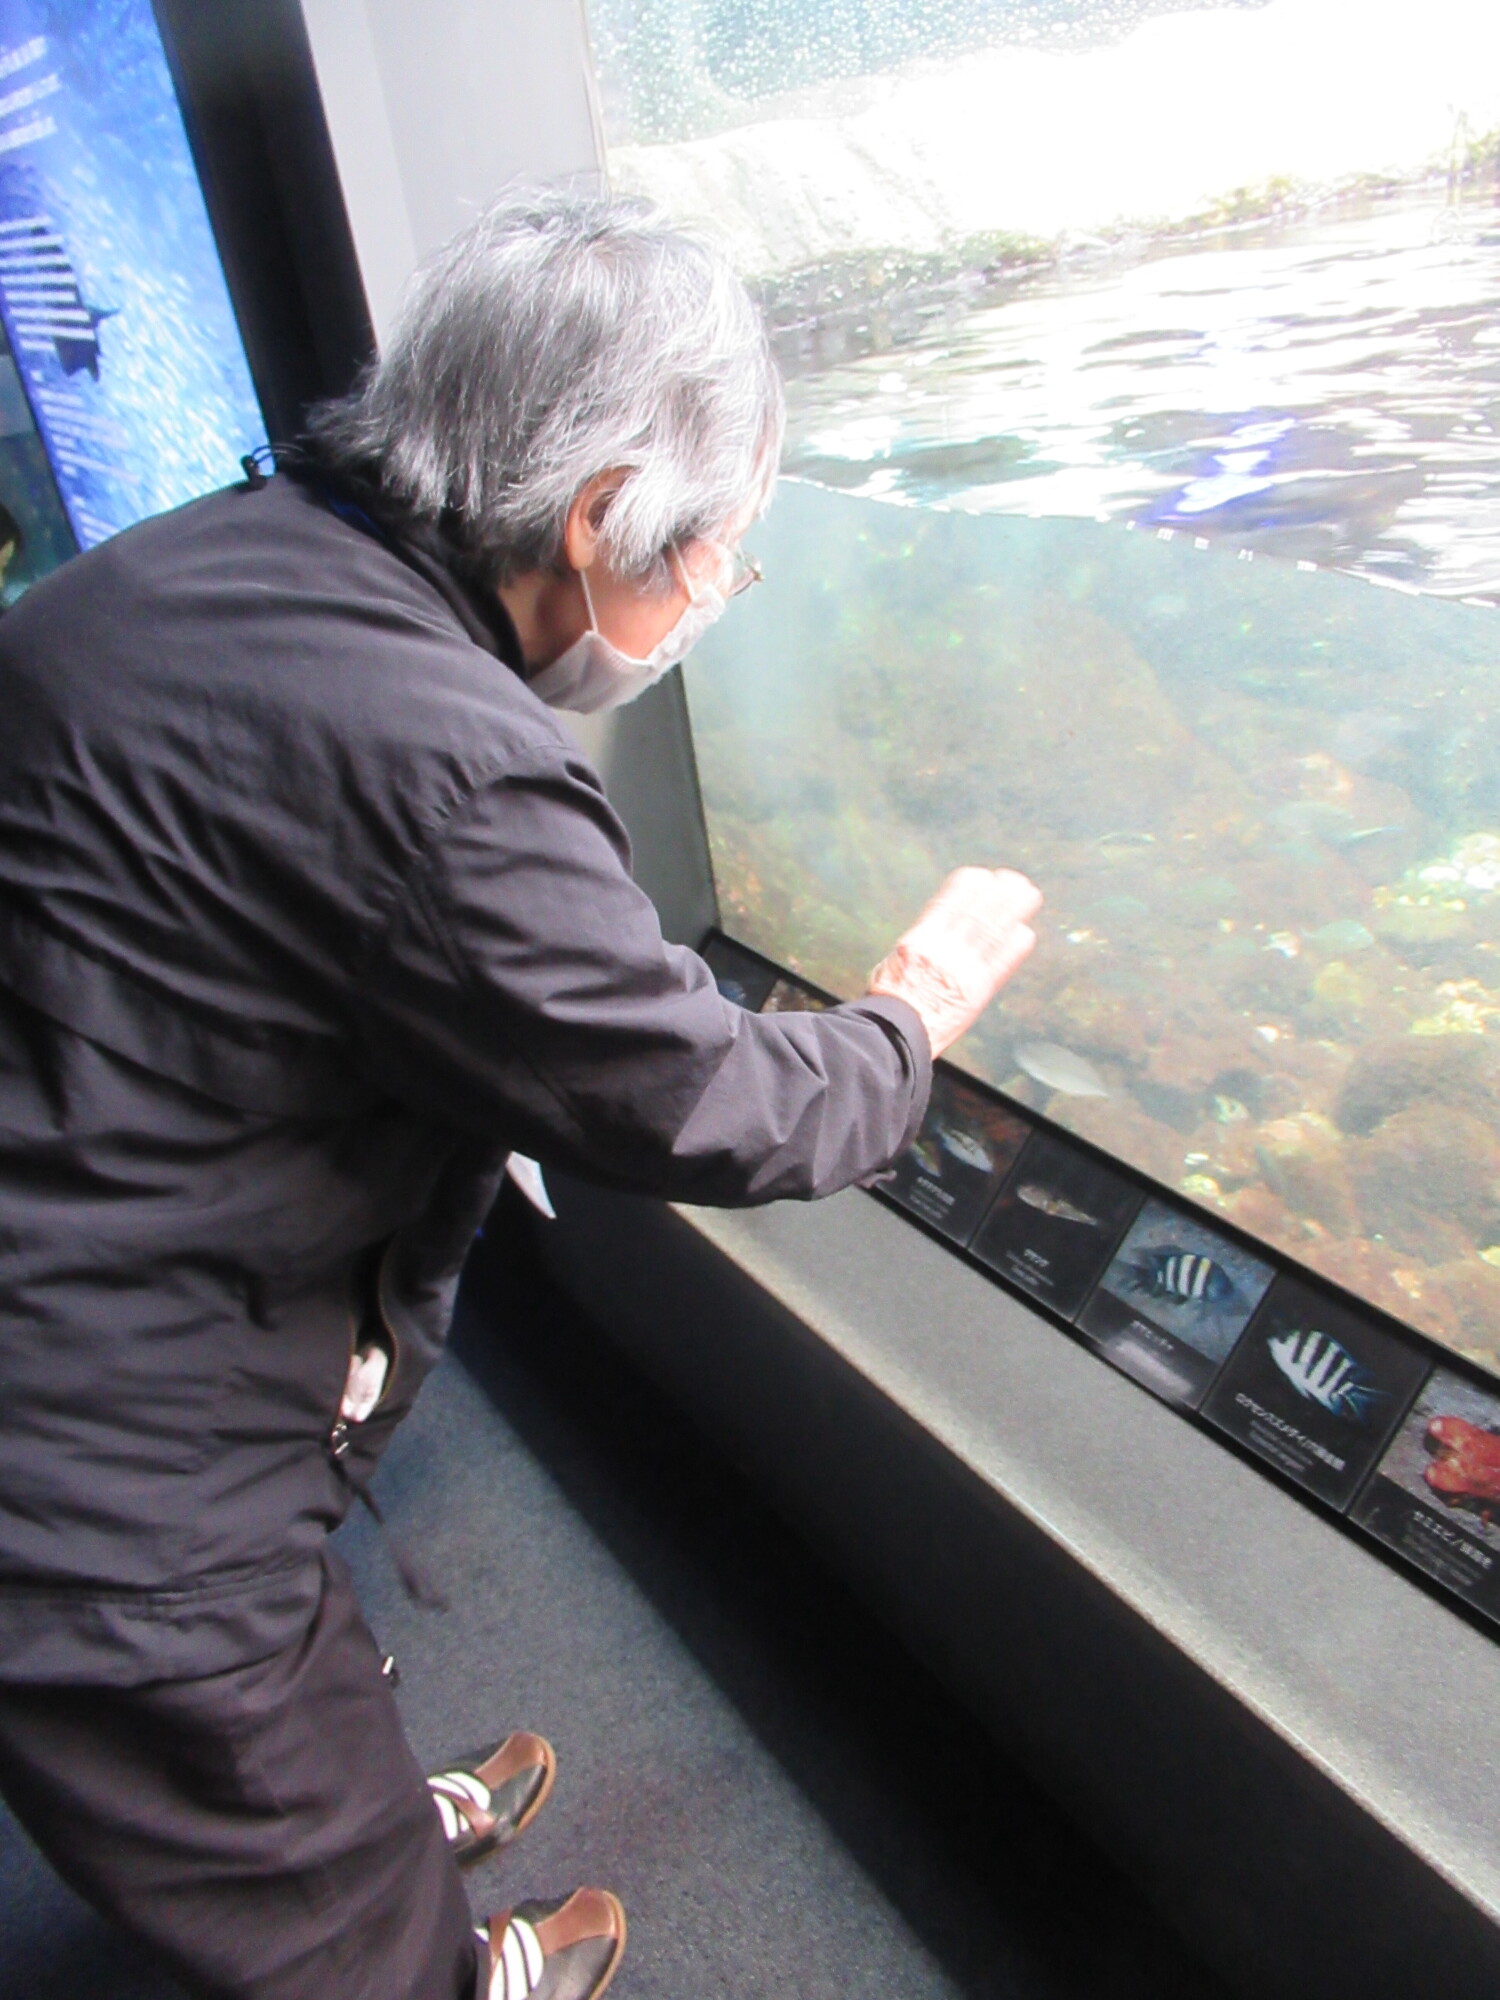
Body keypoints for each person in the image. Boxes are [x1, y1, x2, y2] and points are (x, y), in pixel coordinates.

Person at [0, 192, 1040, 2000]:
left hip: (91, 1299)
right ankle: (397, 1931)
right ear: (596, 523)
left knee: (272, 1696)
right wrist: (909, 1013)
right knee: (268, 1823)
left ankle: (351, 1811)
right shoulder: (451, 768)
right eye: (718, 553)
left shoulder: (177, 573)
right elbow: (701, 1100)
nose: (712, 596)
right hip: (107, 1472)